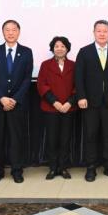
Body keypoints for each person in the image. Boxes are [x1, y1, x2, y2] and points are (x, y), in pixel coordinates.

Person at [75, 20, 108, 182]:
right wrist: (81, 96)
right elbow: (78, 77)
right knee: (91, 135)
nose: (102, 34)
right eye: (99, 31)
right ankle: (91, 167)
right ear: (94, 32)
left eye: (105, 31)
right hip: (90, 102)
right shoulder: (85, 51)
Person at [0, 20, 33, 184]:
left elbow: (27, 78)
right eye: (7, 30)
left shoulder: (26, 52)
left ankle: (17, 170)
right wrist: (1, 98)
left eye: (14, 30)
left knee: (16, 139)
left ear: (19, 32)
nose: (11, 33)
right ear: (3, 32)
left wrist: (15, 99)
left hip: (17, 104)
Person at [37, 36, 76, 180]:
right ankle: (53, 168)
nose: (59, 49)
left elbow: (78, 85)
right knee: (52, 139)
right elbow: (41, 85)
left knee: (65, 139)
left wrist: (69, 103)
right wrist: (55, 102)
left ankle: (63, 167)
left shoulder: (74, 65)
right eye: (56, 46)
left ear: (67, 49)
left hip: (68, 108)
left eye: (62, 46)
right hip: (51, 108)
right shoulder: (45, 65)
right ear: (52, 49)